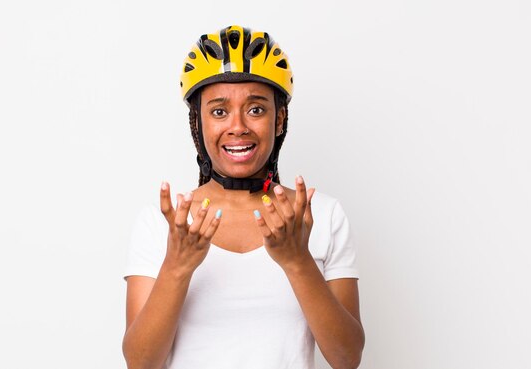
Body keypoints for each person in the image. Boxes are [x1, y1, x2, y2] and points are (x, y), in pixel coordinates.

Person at [122, 25, 365, 369]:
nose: (238, 126)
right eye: (219, 111)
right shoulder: (163, 224)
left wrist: (298, 261)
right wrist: (176, 267)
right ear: (198, 122)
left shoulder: (320, 216)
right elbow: (140, 362)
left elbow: (347, 358)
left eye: (256, 109)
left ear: (279, 119)